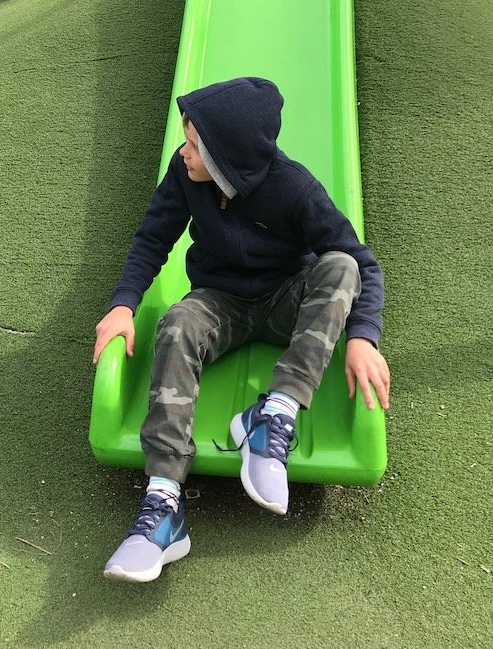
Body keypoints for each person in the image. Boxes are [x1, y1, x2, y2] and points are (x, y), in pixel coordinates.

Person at [93, 77, 390, 584]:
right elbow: (152, 238)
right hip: (220, 302)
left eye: (193, 145)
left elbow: (364, 262)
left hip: (284, 301)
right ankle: (163, 506)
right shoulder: (185, 176)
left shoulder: (294, 188)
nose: (183, 152)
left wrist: (362, 335)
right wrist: (124, 304)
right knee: (176, 324)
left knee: (340, 266)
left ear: (226, 159)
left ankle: (274, 413)